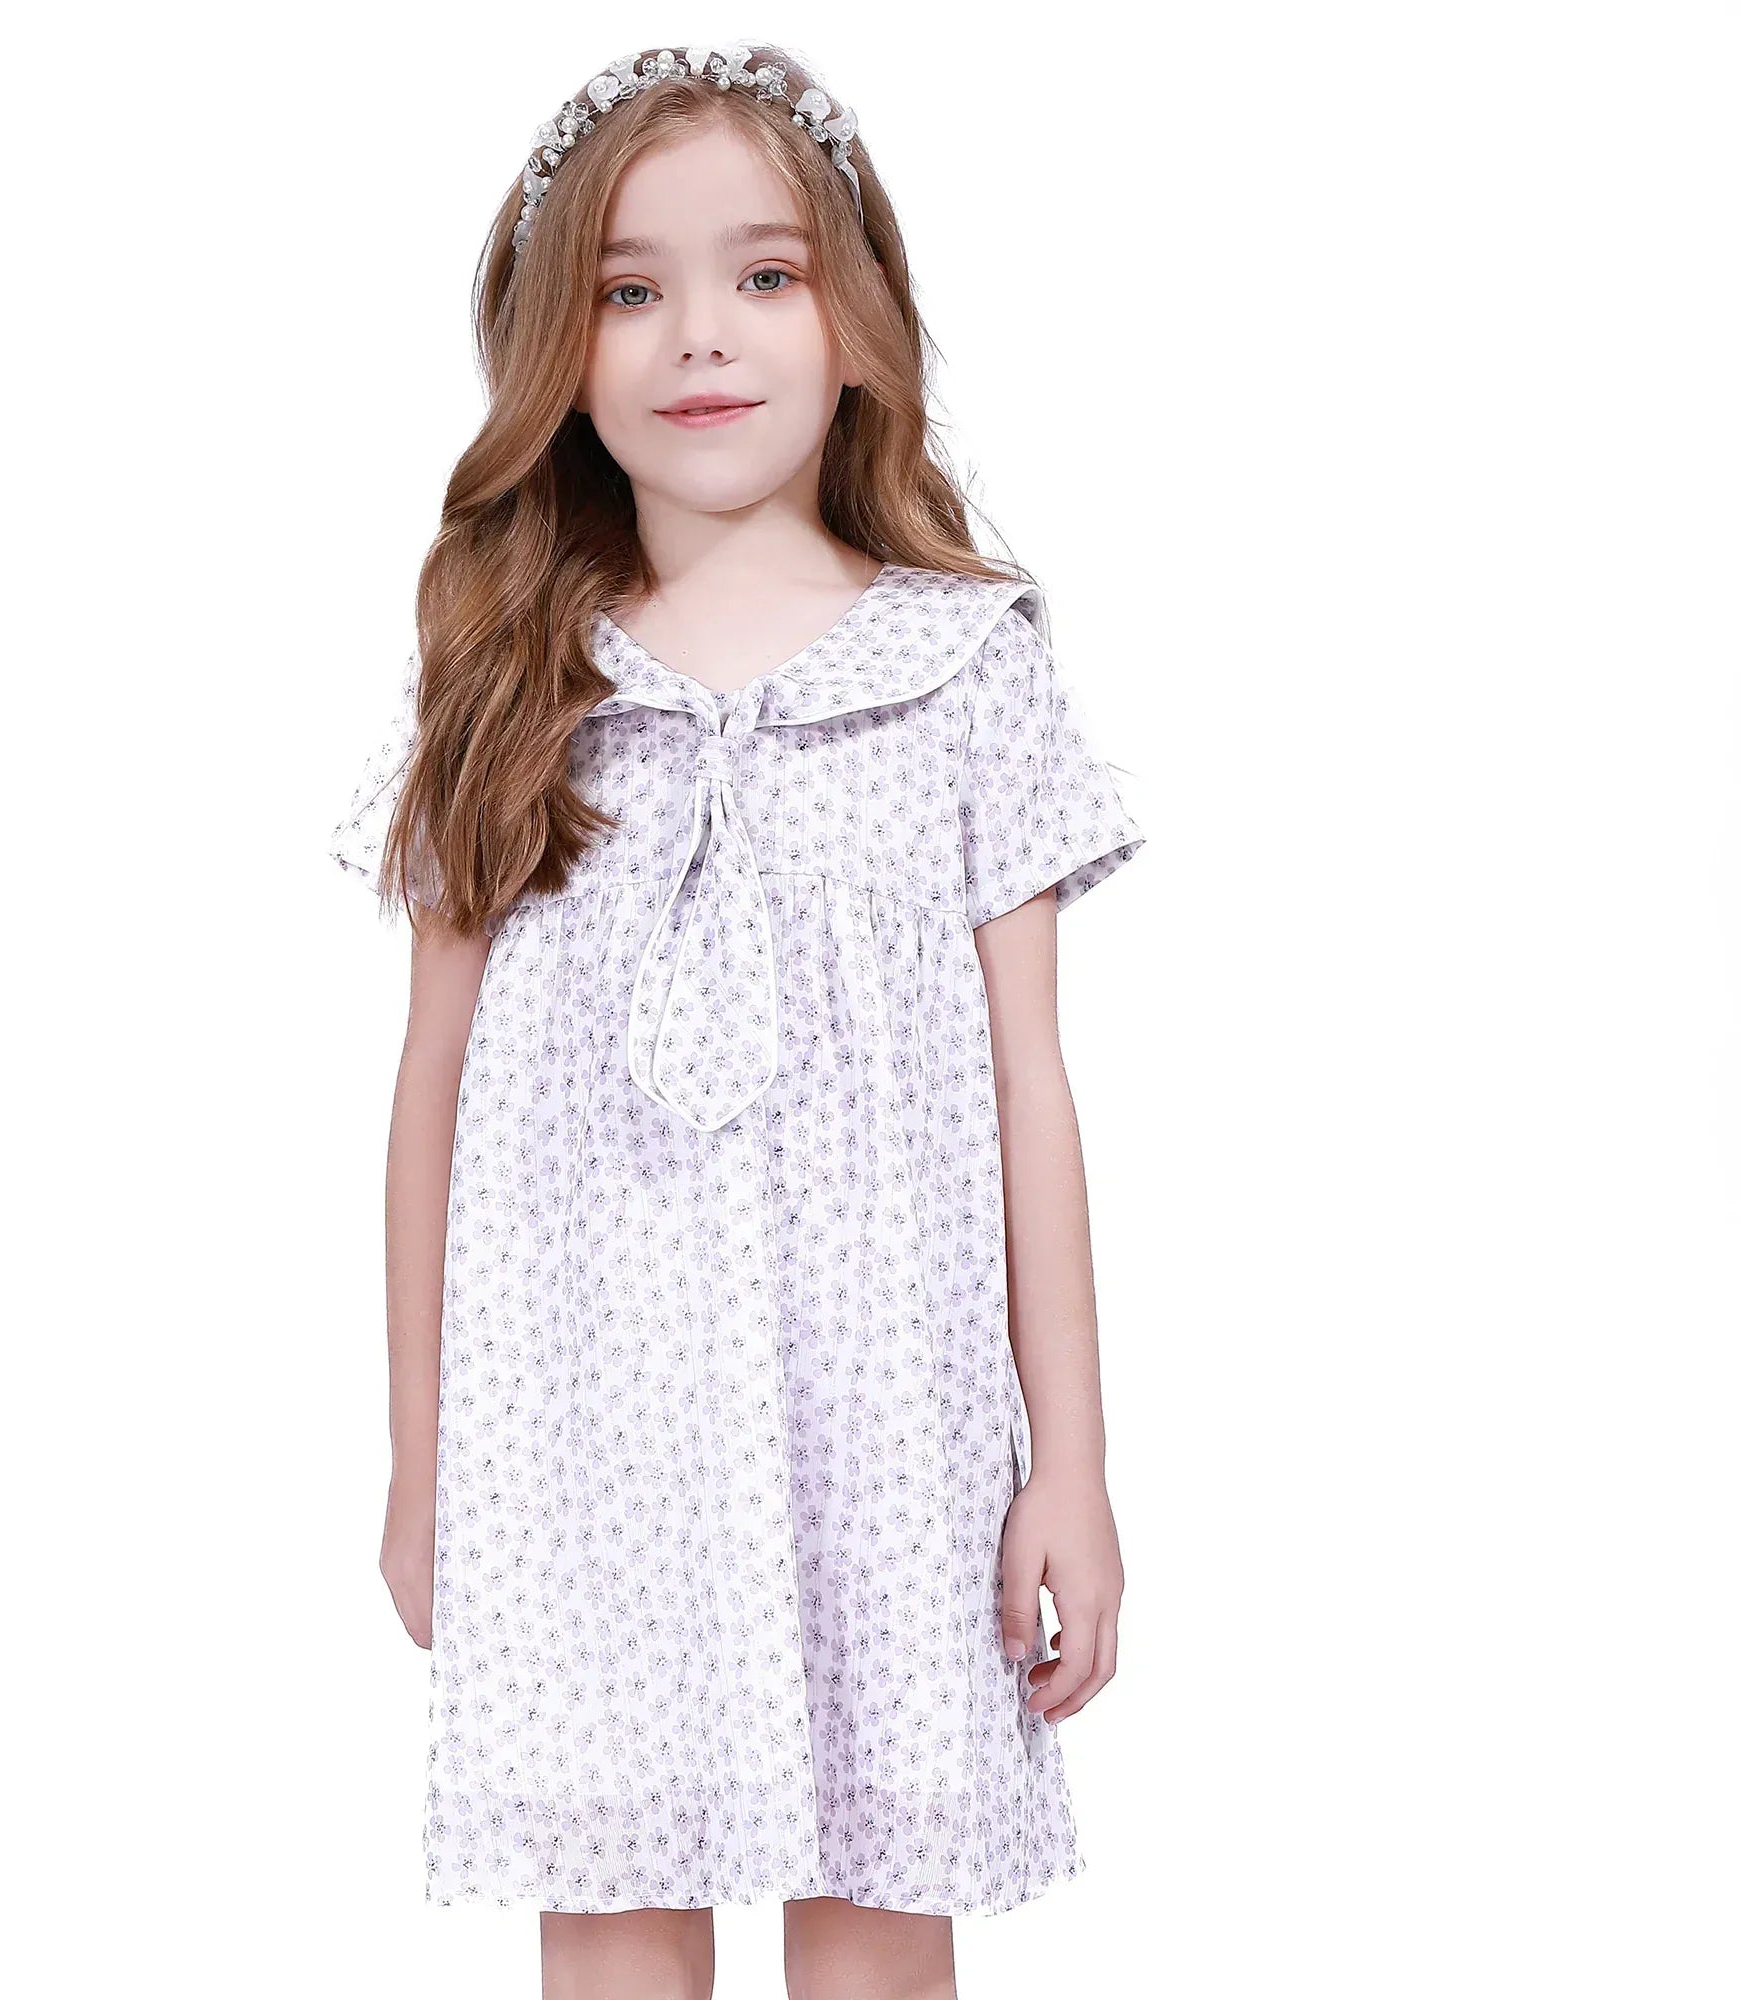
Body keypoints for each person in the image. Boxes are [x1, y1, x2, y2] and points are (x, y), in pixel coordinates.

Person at [328, 42, 1147, 2000]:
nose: (701, 333)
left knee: (875, 1932)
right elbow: (429, 1095)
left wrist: (1073, 1462)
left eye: (764, 275)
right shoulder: (510, 683)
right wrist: (423, 1458)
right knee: (614, 1931)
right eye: (630, 289)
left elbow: (1031, 1090)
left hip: (887, 1421)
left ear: (855, 320)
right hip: (579, 1432)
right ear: (558, 347)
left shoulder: (962, 667)